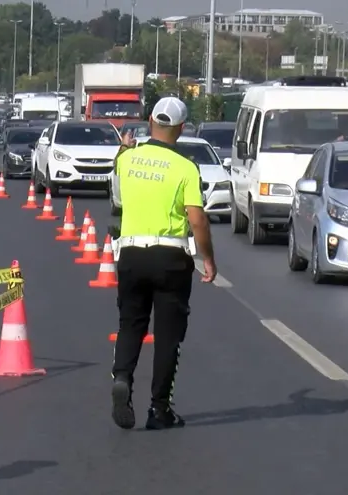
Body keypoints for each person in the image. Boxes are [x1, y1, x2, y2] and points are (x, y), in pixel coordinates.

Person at [109, 97, 217, 431]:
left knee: (131, 324)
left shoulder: (128, 159)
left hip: (130, 254)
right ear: (181, 129)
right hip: (170, 257)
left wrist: (125, 148)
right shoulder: (186, 167)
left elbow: (119, 166)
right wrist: (208, 260)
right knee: (169, 336)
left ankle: (123, 378)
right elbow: (197, 219)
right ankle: (159, 409)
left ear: (149, 121)